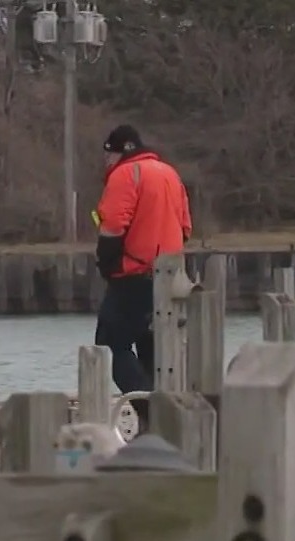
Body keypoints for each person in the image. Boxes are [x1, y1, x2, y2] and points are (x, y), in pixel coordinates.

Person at [93, 125, 192, 433]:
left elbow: (112, 226)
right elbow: (186, 227)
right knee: (154, 350)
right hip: (169, 277)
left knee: (111, 346)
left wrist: (108, 264)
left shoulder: (126, 175)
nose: (106, 161)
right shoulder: (169, 174)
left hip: (133, 275)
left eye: (108, 154)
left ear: (118, 150)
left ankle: (153, 414)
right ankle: (161, 424)